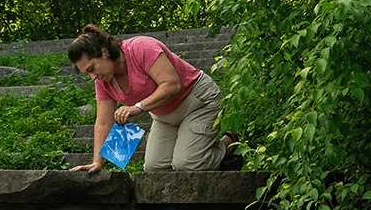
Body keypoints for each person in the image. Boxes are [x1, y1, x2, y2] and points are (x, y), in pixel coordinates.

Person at [66, 24, 240, 173]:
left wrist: (138, 107)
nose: (92, 77)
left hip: (197, 101)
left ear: (104, 52)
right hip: (164, 116)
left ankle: (228, 145)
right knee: (153, 167)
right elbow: (103, 122)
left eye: (91, 68)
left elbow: (173, 84)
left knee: (186, 163)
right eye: (87, 73)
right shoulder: (103, 80)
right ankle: (192, 147)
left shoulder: (141, 47)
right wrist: (97, 162)